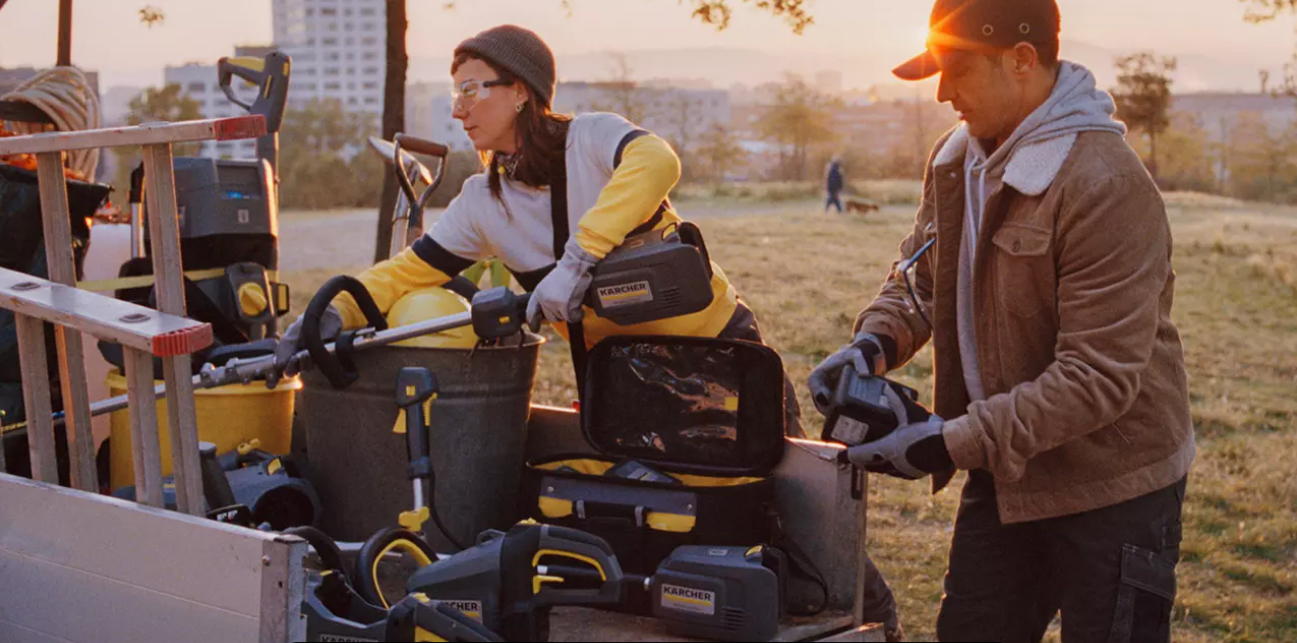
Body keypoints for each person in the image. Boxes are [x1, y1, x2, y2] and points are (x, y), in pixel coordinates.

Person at [807, 0, 1194, 641]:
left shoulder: (1105, 183)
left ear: (1020, 60)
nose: (942, 93)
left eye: (957, 69)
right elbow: (922, 278)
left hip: (1114, 484)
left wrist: (944, 442)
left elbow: (1096, 377)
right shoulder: (955, 158)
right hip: (1005, 466)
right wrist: (872, 343)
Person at [269, 25, 804, 436]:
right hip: (627, 383)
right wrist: (327, 314)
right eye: (455, 93)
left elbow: (658, 160)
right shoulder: (482, 203)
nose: (458, 110)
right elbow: (402, 275)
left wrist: (578, 261)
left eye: (471, 89)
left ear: (521, 92)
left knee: (782, 506)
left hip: (720, 352)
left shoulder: (591, 138)